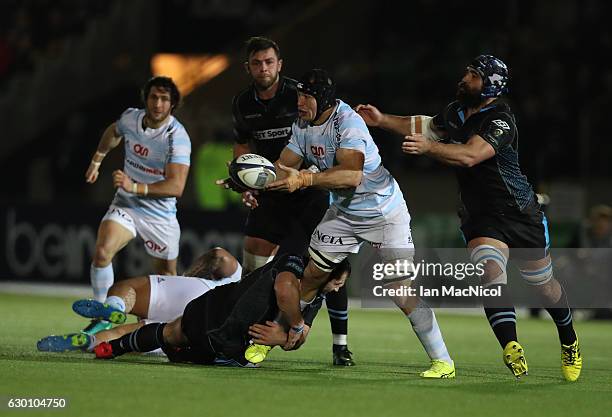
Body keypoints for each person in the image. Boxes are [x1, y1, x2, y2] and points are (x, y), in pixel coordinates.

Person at [354, 54, 582, 381]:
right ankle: (511, 345)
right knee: (490, 271)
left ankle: (569, 338)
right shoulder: (456, 111)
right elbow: (426, 126)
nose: (464, 77)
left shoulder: (501, 120)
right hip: (482, 215)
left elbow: (472, 155)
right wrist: (381, 120)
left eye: (473, 75)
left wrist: (429, 150)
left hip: (520, 214)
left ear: (489, 86)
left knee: (543, 287)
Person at [264, 68, 455, 378]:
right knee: (311, 276)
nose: (299, 102)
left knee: (399, 289)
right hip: (343, 214)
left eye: (306, 96)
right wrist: (254, 181)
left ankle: (443, 361)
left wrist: (303, 179)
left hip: (383, 213)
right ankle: (277, 336)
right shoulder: (302, 124)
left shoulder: (347, 122)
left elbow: (351, 176)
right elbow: (283, 166)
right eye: (298, 95)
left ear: (323, 98)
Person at [226, 37, 354, 366]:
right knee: (253, 251)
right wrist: (245, 182)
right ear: (248, 67)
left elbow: (328, 129)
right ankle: (247, 324)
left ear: (279, 64)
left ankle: (340, 343)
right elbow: (244, 145)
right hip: (273, 188)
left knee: (326, 264)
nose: (264, 68)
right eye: (257, 63)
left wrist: (318, 172)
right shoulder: (242, 103)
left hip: (309, 189)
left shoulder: (301, 94)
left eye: (269, 62)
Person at [93, 253, 349, 367]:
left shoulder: (316, 299)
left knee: (171, 333)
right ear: (324, 272)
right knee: (175, 335)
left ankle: (112, 347)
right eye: (338, 282)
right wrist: (293, 327)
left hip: (227, 337)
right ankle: (111, 345)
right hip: (221, 322)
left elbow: (300, 339)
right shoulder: (292, 262)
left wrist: (282, 338)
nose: (338, 289)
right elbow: (285, 294)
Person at [83, 76, 191, 335]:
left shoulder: (177, 137)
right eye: (154, 97)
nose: (157, 103)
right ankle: (101, 315)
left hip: (160, 215)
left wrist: (136, 187)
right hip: (127, 204)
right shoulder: (131, 118)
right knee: (102, 252)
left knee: (168, 276)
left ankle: (168, 331)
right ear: (146, 99)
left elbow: (176, 186)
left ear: (173, 104)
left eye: (164, 99)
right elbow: (113, 131)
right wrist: (97, 160)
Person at [36, 248, 241, 352]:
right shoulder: (259, 309)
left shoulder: (250, 277)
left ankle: (116, 307)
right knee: (123, 335)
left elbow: (219, 256)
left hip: (200, 292)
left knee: (127, 289)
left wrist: (188, 277)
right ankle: (89, 342)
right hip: (203, 329)